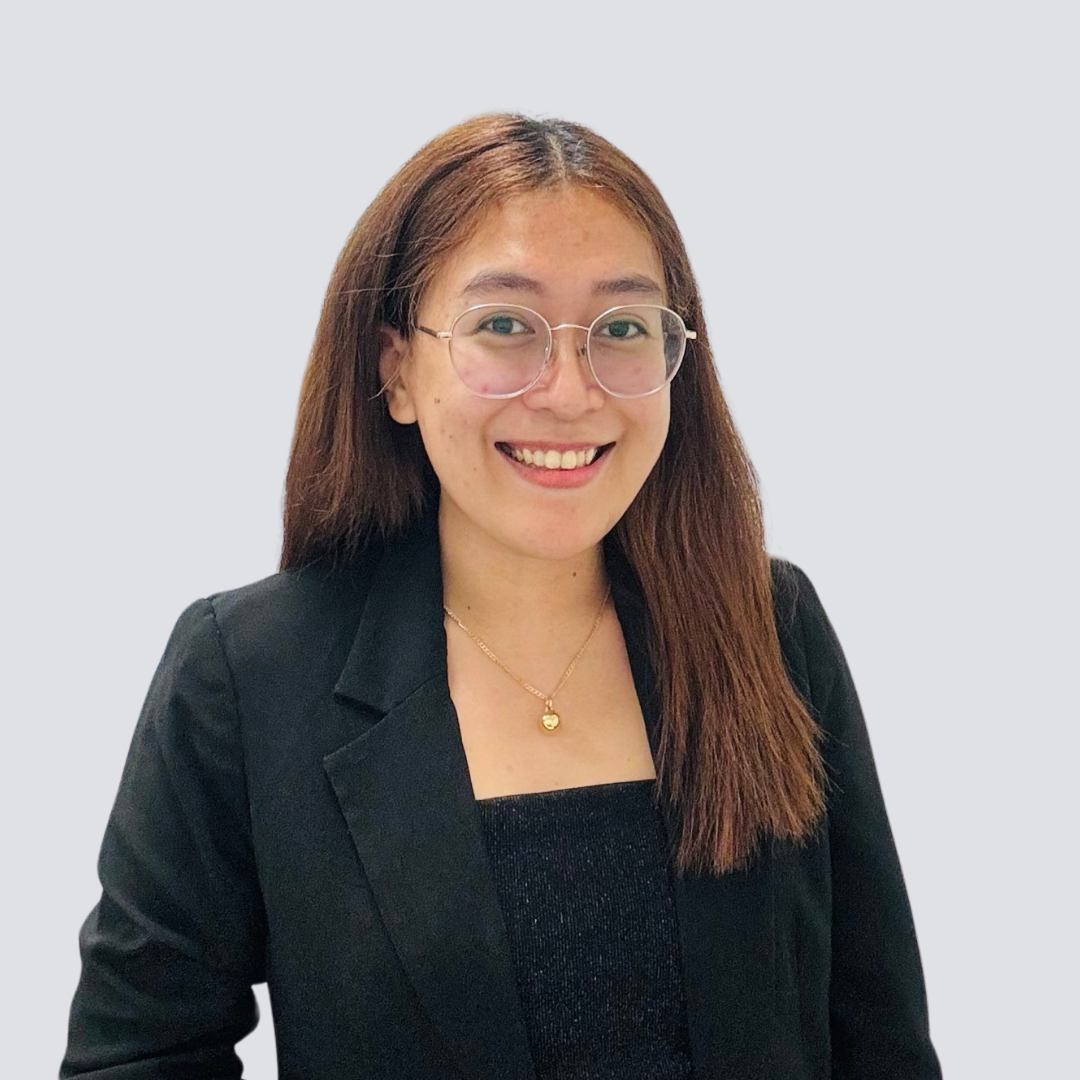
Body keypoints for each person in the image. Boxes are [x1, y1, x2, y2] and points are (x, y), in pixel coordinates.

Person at [61, 114, 942, 1080]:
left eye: (621, 328)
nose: (569, 392)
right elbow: (137, 1058)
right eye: (505, 327)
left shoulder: (771, 632)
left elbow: (883, 1048)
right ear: (396, 369)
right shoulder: (248, 676)